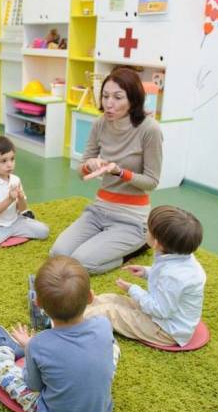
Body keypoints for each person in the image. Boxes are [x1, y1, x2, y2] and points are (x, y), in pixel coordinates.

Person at [0, 256, 119, 412]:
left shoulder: (38, 344)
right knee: (113, 346)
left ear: (38, 304)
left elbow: (34, 386)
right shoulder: (103, 325)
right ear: (90, 297)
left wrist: (28, 347)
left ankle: (6, 348)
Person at [50, 67, 163, 274]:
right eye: (105, 96)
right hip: (99, 211)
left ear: (133, 100)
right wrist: (89, 165)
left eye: (118, 97)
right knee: (58, 254)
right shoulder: (100, 124)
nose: (109, 103)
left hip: (131, 219)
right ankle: (106, 243)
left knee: (80, 263)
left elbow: (152, 181)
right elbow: (81, 170)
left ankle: (133, 250)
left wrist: (120, 172)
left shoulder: (150, 130)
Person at [83, 205, 206, 347]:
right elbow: (164, 277)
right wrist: (147, 272)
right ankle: (79, 308)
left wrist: (132, 289)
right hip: (161, 316)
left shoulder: (174, 276)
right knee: (111, 298)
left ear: (156, 243)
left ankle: (64, 322)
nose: (145, 231)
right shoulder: (179, 257)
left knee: (110, 312)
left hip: (165, 330)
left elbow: (160, 310)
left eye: (148, 230)